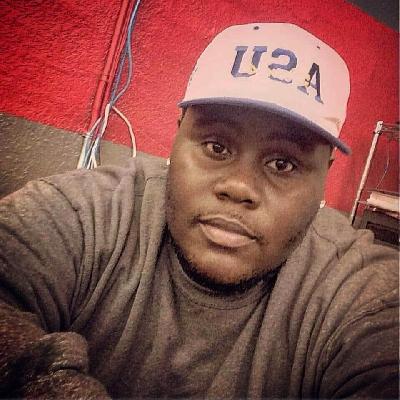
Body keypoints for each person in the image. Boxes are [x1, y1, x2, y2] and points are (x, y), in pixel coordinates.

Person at [0, 23, 398, 399]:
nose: (239, 187)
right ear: (177, 137)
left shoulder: (362, 293)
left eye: (283, 164)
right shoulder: (86, 215)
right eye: (216, 147)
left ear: (325, 175)